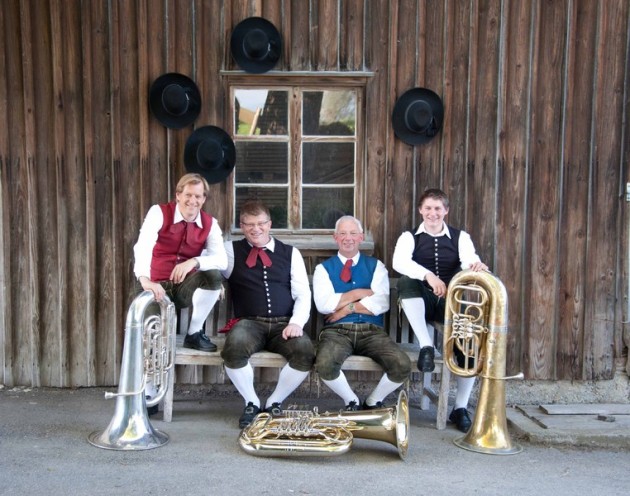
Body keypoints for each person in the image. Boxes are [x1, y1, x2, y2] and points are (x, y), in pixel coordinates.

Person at [392, 188, 488, 433]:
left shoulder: (460, 237)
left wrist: (475, 265)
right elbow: (399, 262)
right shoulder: (409, 237)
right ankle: (426, 345)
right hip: (420, 300)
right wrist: (428, 276)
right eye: (428, 208)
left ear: (446, 211)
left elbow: (468, 258)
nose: (432, 213)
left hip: (450, 302)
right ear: (420, 210)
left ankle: (460, 407)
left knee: (468, 351)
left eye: (437, 208)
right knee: (405, 281)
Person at [221, 200, 315, 428]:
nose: (256, 229)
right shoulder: (229, 250)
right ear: (242, 226)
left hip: (284, 324)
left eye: (261, 223)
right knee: (234, 347)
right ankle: (251, 402)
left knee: (305, 352)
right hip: (248, 322)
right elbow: (207, 260)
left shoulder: (290, 253)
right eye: (249, 224)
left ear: (270, 224)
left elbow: (303, 294)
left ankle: (275, 402)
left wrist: (296, 322)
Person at [313, 216, 411, 411]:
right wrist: (359, 293)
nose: (348, 238)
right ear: (335, 237)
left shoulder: (376, 266)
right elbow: (324, 305)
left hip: (372, 331)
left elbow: (381, 303)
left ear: (361, 237)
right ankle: (352, 401)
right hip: (336, 331)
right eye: (342, 233)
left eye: (353, 233)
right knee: (324, 364)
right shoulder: (323, 269)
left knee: (401, 365)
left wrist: (345, 308)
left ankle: (373, 401)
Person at [133, 173, 228, 353]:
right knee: (152, 347)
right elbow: (143, 245)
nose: (193, 200)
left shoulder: (210, 224)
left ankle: (194, 334)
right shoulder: (158, 212)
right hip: (154, 286)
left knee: (213, 276)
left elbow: (222, 260)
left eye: (198, 196)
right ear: (178, 195)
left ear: (204, 199)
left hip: (183, 288)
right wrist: (145, 280)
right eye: (188, 195)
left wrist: (194, 261)